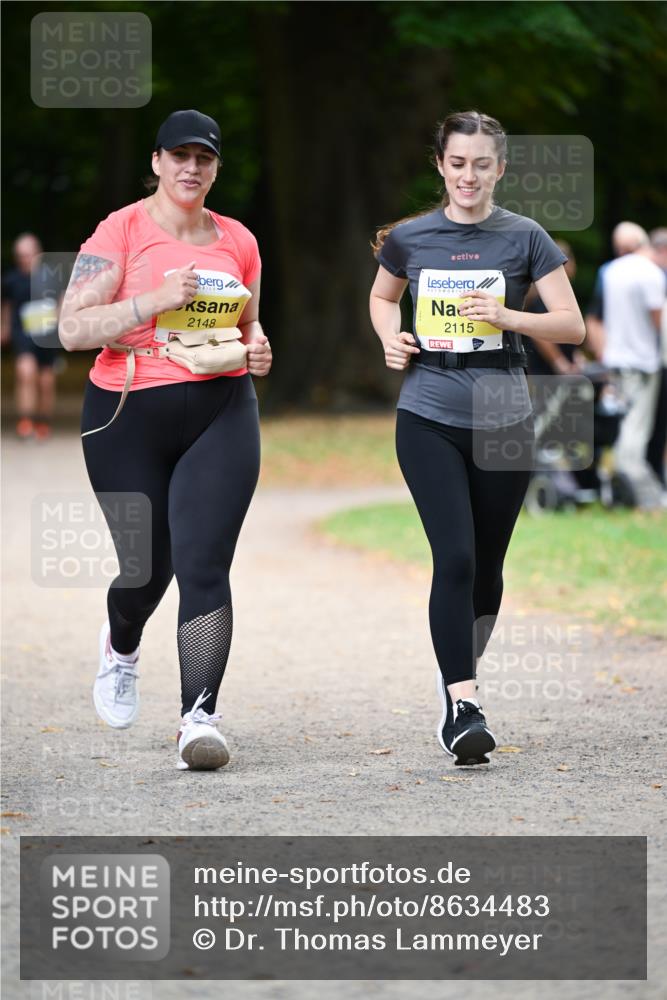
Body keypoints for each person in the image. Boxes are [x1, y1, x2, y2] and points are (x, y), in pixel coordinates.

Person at [369, 111, 585, 766]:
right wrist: (389, 337)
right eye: (457, 163)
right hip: (428, 411)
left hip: (504, 414)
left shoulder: (525, 237)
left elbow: (571, 325)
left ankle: (453, 670)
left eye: (481, 164)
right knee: (455, 558)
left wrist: (505, 316)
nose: (468, 175)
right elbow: (382, 298)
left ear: (499, 168)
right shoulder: (410, 237)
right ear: (441, 165)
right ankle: (463, 704)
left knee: (487, 572)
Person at [58, 110, 272, 771]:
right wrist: (150, 300)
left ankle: (197, 718)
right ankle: (121, 645)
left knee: (204, 564)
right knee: (147, 567)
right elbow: (71, 330)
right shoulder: (117, 232)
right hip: (125, 410)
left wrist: (257, 346)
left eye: (203, 158)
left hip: (222, 407)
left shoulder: (238, 240)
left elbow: (249, 325)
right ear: (156, 162)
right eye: (178, 155)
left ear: (215, 168)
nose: (191, 167)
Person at [598, 228, 666, 507]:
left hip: (615, 359)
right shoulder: (650, 273)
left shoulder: (611, 271)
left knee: (624, 423)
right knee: (636, 429)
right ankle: (645, 495)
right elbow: (658, 321)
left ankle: (620, 485)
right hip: (643, 362)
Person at [1, 232, 61, 440]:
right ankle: (25, 422)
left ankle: (43, 421)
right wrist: (5, 327)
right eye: (20, 255)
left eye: (28, 255)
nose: (24, 259)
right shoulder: (11, 279)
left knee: (46, 382)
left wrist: (60, 320)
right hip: (23, 333)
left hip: (47, 335)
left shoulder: (52, 277)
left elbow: (63, 302)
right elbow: (7, 306)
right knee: (25, 373)